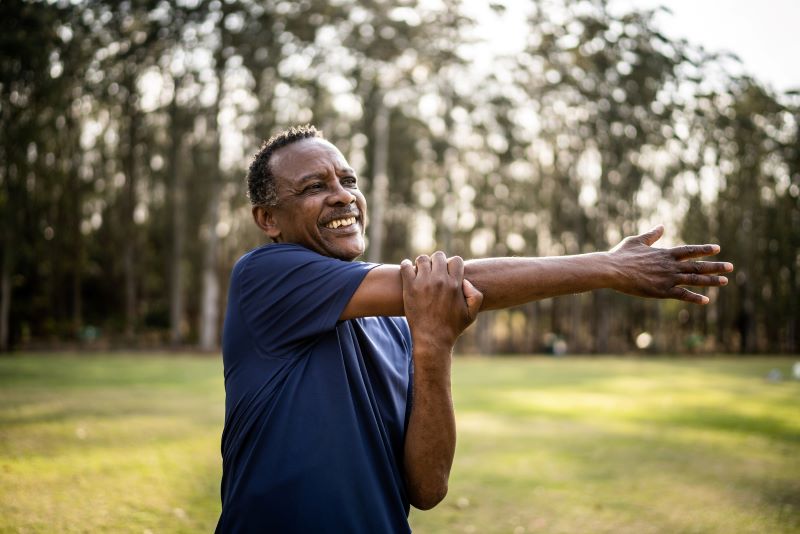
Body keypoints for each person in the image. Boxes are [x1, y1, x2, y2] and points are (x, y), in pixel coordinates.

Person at [216, 125, 732, 533]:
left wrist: (435, 346)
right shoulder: (265, 275)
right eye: (314, 187)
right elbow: (450, 282)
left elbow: (428, 487)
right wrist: (609, 267)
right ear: (268, 219)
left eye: (347, 180)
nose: (342, 196)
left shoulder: (402, 323)